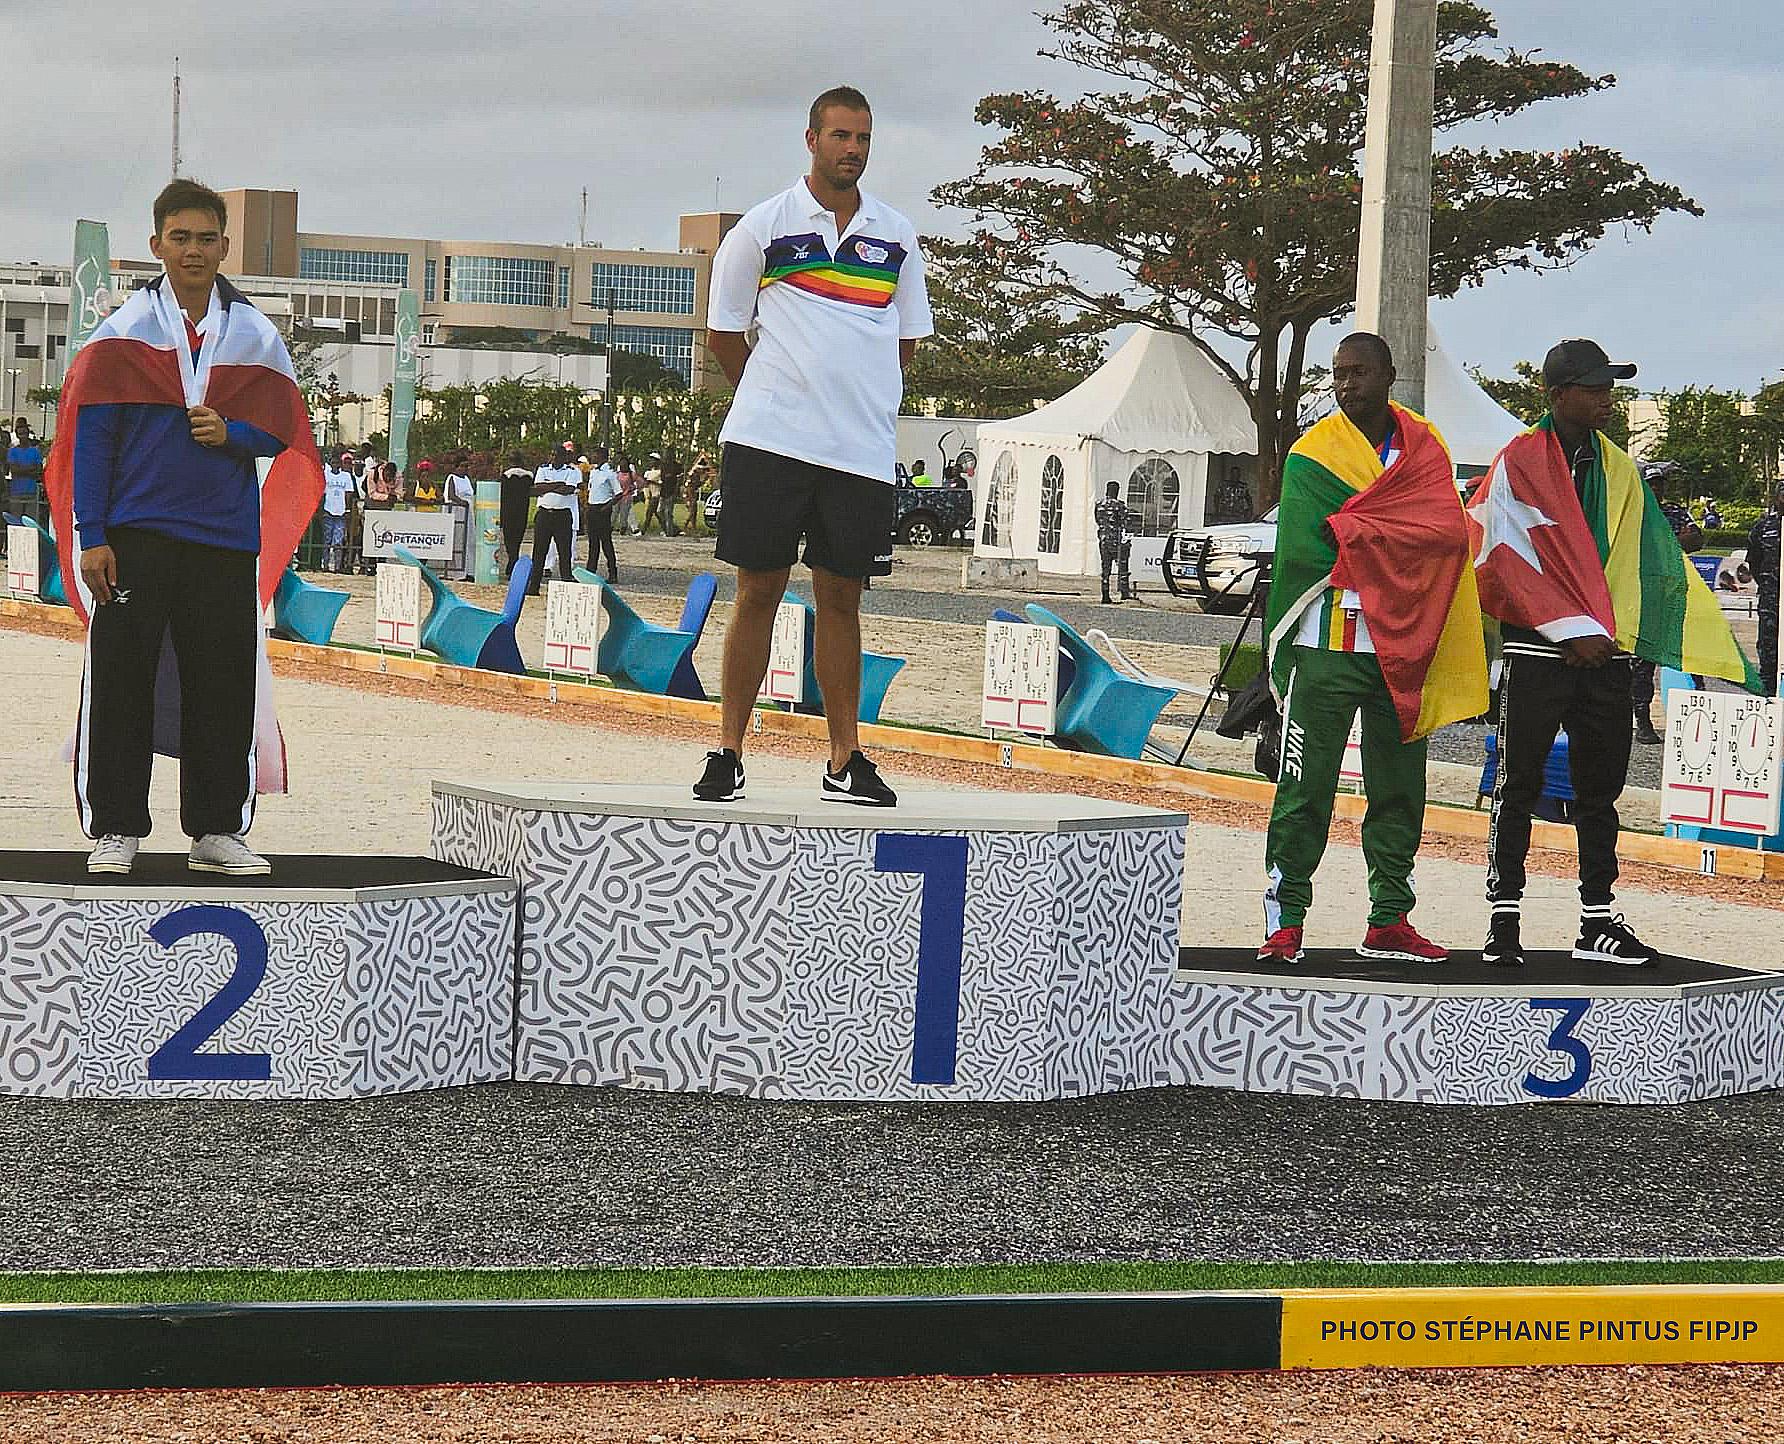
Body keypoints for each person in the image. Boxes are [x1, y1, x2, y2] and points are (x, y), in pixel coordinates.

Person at [50, 177, 323, 877]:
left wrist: (234, 434)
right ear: (156, 245)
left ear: (225, 246)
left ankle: (215, 830)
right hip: (136, 535)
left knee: (222, 683)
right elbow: (92, 440)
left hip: (224, 537)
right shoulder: (121, 336)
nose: (194, 250)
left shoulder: (256, 335)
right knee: (121, 679)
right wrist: (93, 534)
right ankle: (116, 827)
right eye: (180, 238)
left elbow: (284, 430)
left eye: (206, 238)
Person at [1468, 339, 1760, 968]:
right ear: (1557, 395)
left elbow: (1640, 562)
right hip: (1541, 652)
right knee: (1516, 789)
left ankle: (1597, 920)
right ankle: (1504, 918)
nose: (1607, 401)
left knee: (1601, 795)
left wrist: (1604, 633)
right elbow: (1498, 556)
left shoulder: (1619, 469)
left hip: (1605, 654)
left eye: (1610, 389)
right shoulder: (1517, 462)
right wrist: (1565, 627)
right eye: (1595, 389)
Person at [694, 84, 932, 806]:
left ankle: (843, 758)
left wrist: (854, 404)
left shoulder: (896, 235)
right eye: (839, 136)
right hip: (769, 442)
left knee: (842, 597)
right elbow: (724, 333)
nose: (851, 150)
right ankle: (728, 749)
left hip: (857, 452)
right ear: (811, 139)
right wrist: (777, 397)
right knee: (758, 588)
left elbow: (907, 342)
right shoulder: (760, 230)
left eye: (862, 139)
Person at [1256, 332, 1487, 966]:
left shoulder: (1426, 449)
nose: (1345, 384)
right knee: (1305, 785)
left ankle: (1390, 918)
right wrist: (1388, 537)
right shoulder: (1313, 454)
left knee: (1401, 787)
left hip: (1402, 647)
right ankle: (1285, 920)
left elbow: (1445, 535)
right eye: (1337, 373)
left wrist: (1371, 534)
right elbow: (1313, 547)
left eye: (1358, 371)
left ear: (1390, 373)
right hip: (1326, 643)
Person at [1630, 464, 1705, 743]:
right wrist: (1675, 541)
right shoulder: (1634, 512)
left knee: (1692, 657)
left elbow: (1697, 539)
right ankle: (1643, 721)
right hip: (1646, 598)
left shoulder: (1674, 511)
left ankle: (1697, 718)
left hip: (1676, 594)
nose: (1657, 489)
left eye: (1660, 484)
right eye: (1652, 484)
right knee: (1643, 664)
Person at [527, 440, 580, 594]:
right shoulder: (542, 469)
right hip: (544, 513)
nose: (554, 458)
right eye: (552, 455)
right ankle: (534, 586)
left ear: (564, 457)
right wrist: (557, 484)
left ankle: (566, 583)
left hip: (562, 515)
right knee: (539, 551)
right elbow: (536, 489)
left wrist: (548, 486)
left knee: (564, 552)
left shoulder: (571, 471)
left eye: (557, 455)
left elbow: (568, 489)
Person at [1747, 481, 1784, 696]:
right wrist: (1768, 585)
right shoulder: (1763, 527)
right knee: (1768, 651)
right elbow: (1754, 561)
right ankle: (1767, 697)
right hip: (1771, 600)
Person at [584, 445, 620, 581]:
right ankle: (590, 571)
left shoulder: (609, 473)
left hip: (603, 508)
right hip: (592, 508)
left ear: (602, 456)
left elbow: (618, 493)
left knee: (606, 542)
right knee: (593, 543)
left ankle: (612, 572)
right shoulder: (594, 472)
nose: (592, 457)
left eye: (595, 454)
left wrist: (607, 506)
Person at [1093, 480, 1133, 605]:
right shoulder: (1119, 505)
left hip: (1103, 539)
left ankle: (1105, 594)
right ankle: (1124, 592)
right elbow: (1127, 522)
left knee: (1105, 568)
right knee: (1122, 565)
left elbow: (1097, 520)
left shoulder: (1099, 504)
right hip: (1117, 540)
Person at [319, 449, 356, 573]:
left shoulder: (346, 476)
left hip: (340, 512)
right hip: (328, 510)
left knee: (338, 540)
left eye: (337, 463)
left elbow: (349, 493)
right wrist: (322, 509)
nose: (335, 465)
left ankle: (337, 566)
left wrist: (347, 509)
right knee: (326, 539)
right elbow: (322, 493)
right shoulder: (325, 475)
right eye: (333, 463)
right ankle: (325, 565)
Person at [499, 451, 533, 578]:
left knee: (509, 539)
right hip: (522, 510)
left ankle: (512, 561)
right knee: (518, 539)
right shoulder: (528, 476)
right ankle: (514, 560)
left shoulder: (506, 476)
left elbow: (502, 495)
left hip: (508, 511)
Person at [6, 419, 44, 521]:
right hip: (16, 492)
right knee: (15, 522)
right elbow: (14, 470)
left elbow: (38, 471)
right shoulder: (12, 451)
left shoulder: (35, 451)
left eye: (24, 433)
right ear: (17, 435)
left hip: (31, 492)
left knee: (31, 524)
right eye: (20, 433)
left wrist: (21, 469)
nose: (22, 435)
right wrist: (30, 468)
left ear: (28, 434)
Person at [445, 453, 475, 580]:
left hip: (468, 512)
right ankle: (457, 571)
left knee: (469, 541)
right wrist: (461, 502)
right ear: (456, 467)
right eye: (462, 466)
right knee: (458, 540)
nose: (465, 469)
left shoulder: (467, 479)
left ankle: (469, 570)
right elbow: (451, 495)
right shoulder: (451, 478)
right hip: (457, 511)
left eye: (467, 466)